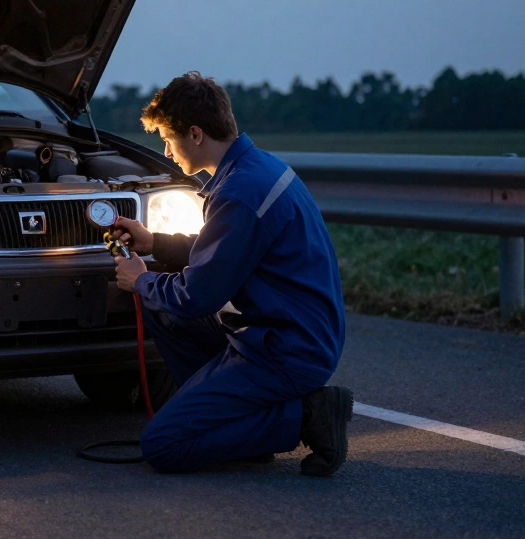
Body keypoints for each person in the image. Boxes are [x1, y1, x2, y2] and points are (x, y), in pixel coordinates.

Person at [111, 72, 352, 477]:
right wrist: (155, 243)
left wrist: (140, 280)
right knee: (161, 309)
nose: (168, 153)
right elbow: (228, 251)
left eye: (168, 140)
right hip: (292, 333)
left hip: (286, 349)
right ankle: (235, 426)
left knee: (163, 445)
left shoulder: (240, 193)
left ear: (196, 133)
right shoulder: (256, 170)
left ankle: (310, 415)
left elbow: (197, 295)